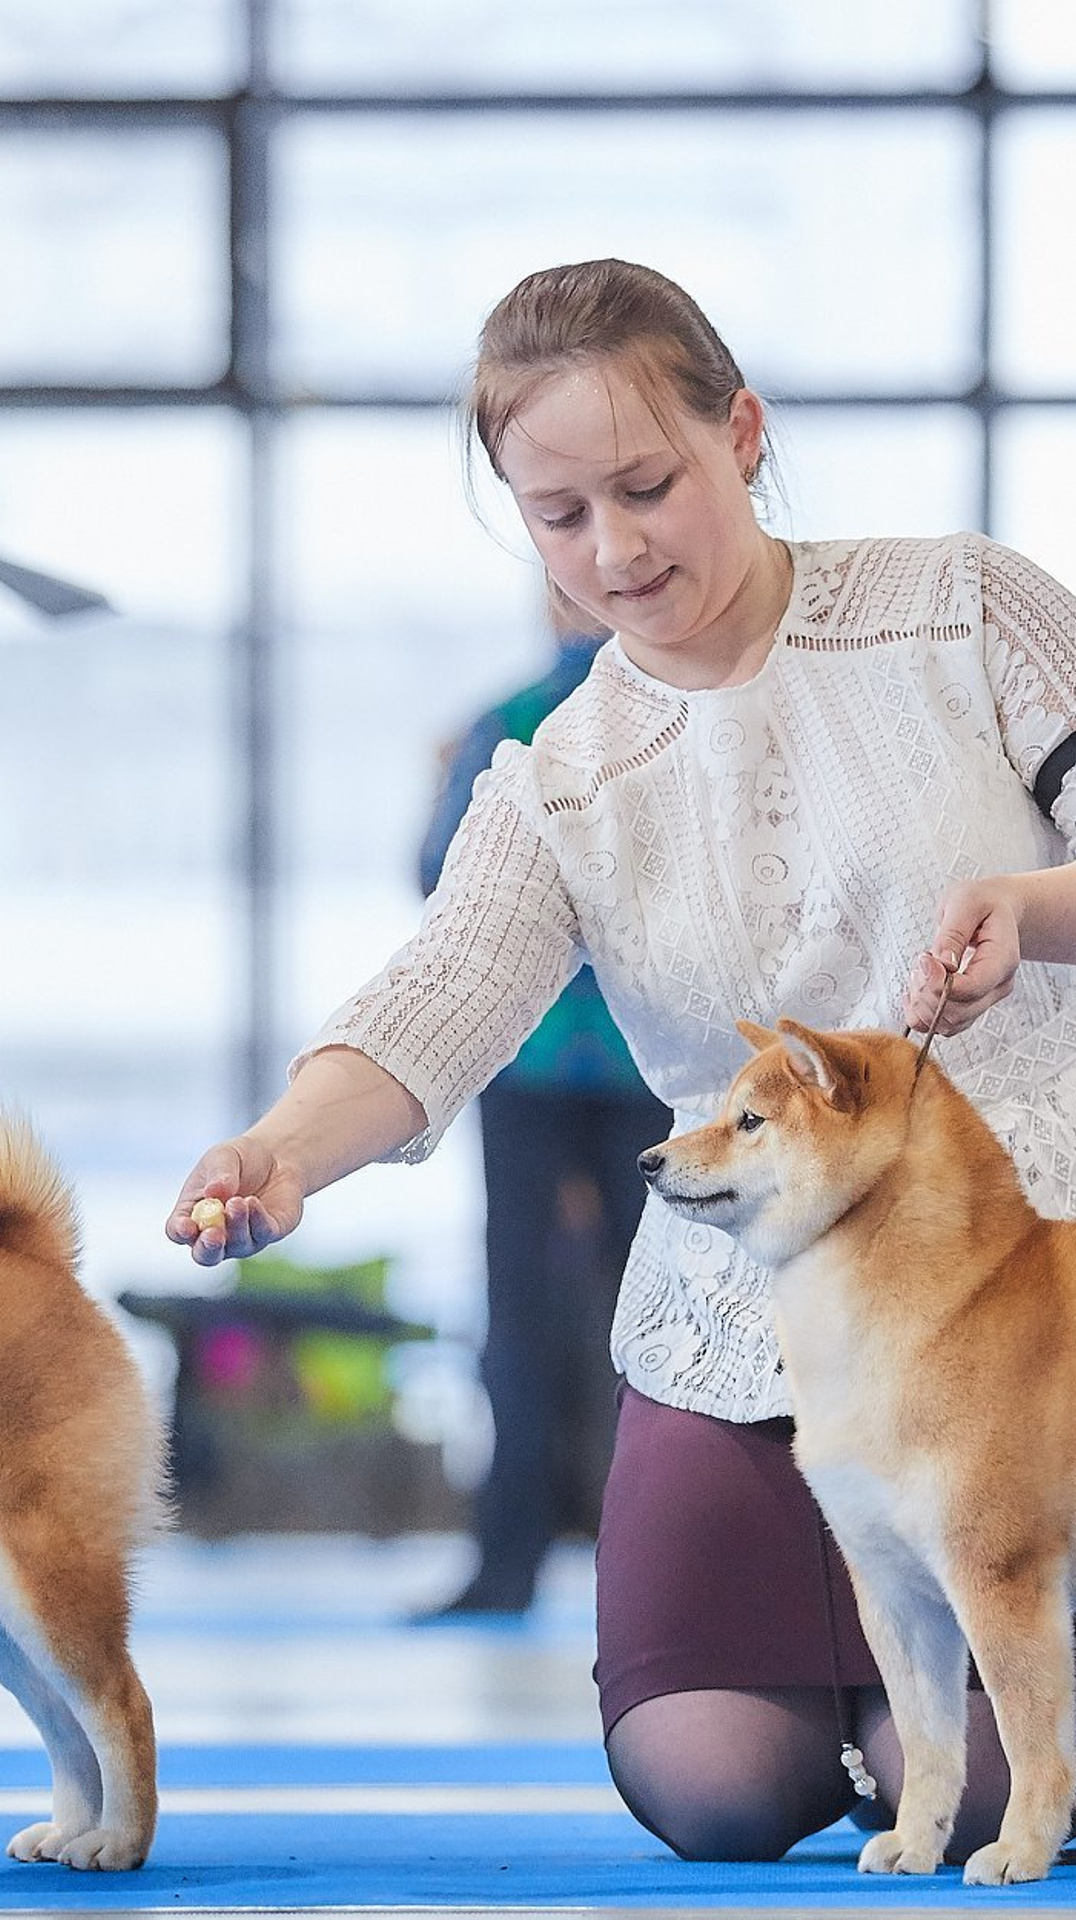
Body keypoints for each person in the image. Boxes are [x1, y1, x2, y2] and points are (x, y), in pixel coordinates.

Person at [166, 258, 1076, 1866]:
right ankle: (944, 1709)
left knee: (958, 1785)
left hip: (1054, 1264)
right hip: (762, 1297)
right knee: (713, 1784)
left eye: (647, 486)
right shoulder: (558, 776)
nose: (613, 550)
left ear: (741, 433)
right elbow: (441, 996)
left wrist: (1038, 910)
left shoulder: (962, 605)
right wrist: (283, 1149)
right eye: (558, 515)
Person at [415, 625, 675, 1619]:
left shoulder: (509, 722)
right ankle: (673, 1568)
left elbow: (440, 879)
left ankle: (507, 1565)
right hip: (648, 1056)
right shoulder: (691, 718)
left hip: (531, 1057)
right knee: (676, 1317)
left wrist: (444, 781)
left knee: (521, 1313)